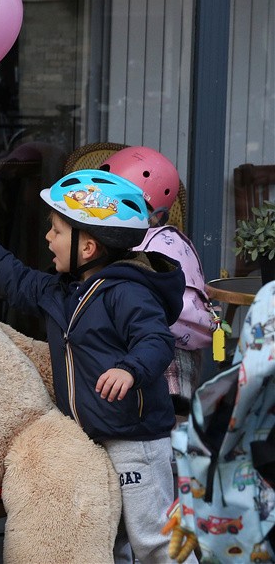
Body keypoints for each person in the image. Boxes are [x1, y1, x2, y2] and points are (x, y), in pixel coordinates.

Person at [0, 169, 193, 564]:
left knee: (153, 540)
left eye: (57, 230)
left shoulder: (127, 292)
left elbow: (156, 340)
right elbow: (21, 282)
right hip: (94, 438)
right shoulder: (66, 292)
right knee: (111, 543)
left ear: (88, 247)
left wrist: (130, 369)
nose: (48, 237)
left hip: (136, 442)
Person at [100, 146, 216, 414]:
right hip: (156, 344)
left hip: (170, 351)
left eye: (124, 203)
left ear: (156, 216)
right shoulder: (145, 239)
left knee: (169, 426)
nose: (112, 210)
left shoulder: (159, 246)